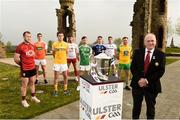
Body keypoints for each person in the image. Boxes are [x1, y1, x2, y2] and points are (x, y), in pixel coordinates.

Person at [130, 33, 166, 119]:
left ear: (155, 42)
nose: (150, 43)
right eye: (148, 41)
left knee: (150, 109)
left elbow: (161, 71)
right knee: (136, 107)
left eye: (152, 41)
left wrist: (146, 80)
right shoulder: (137, 52)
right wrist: (140, 79)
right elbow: (133, 68)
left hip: (152, 86)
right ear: (145, 43)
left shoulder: (161, 55)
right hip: (137, 84)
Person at [14, 31, 40, 108]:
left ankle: (33, 97)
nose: (29, 38)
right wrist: (22, 65)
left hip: (32, 68)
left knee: (32, 82)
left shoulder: (32, 45)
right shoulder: (20, 46)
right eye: (27, 36)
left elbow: (33, 55)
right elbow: (16, 58)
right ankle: (23, 100)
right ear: (24, 37)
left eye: (30, 36)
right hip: (25, 69)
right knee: (24, 85)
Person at [52, 32, 69, 96]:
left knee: (65, 76)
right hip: (57, 63)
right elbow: (53, 53)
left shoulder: (66, 44)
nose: (60, 37)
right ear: (57, 36)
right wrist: (56, 58)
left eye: (61, 36)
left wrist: (64, 59)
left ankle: (65, 89)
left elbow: (66, 53)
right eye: (59, 36)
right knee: (56, 77)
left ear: (63, 36)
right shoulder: (54, 44)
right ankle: (56, 90)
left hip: (64, 63)